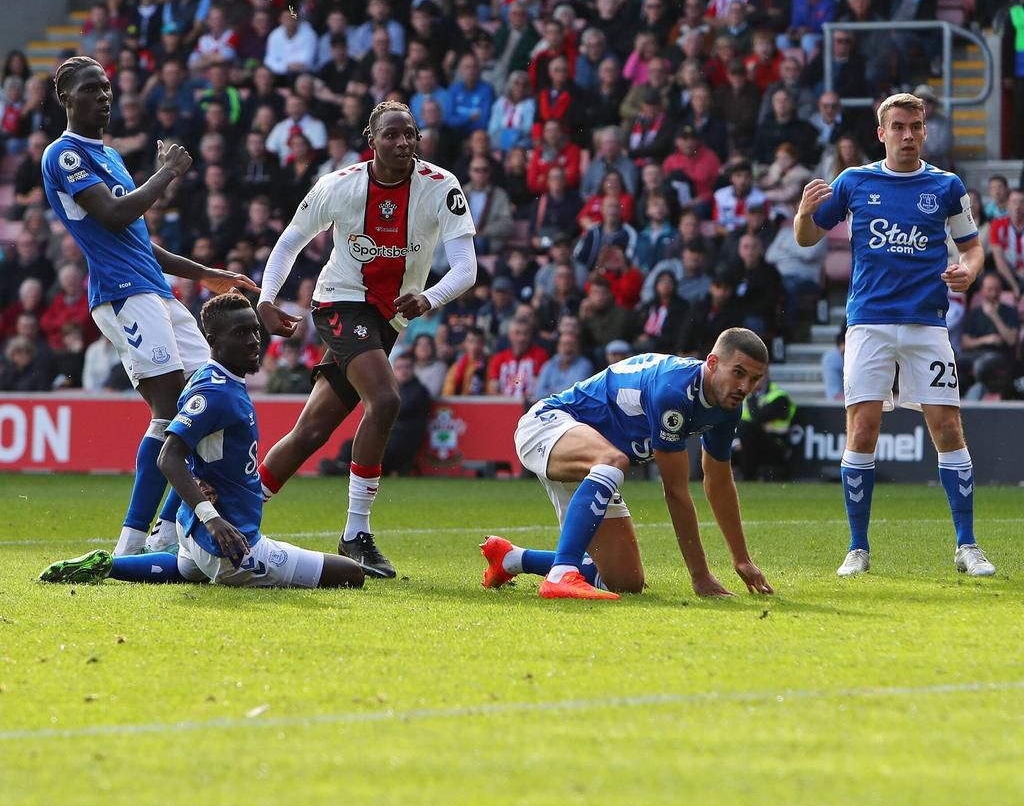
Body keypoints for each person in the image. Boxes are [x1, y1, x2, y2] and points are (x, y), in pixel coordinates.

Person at [41, 56, 258, 562]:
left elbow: (141, 240)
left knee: (202, 396)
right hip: (122, 294)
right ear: (66, 98)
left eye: (108, 88)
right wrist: (167, 174)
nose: (104, 96)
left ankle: (167, 527)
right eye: (91, 89)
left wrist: (209, 274)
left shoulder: (112, 156)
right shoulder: (63, 155)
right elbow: (116, 214)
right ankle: (133, 542)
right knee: (168, 412)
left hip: (153, 289)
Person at [255, 100, 477, 579]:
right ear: (370, 140)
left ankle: (236, 507)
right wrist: (267, 299)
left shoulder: (441, 186)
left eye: (410, 134)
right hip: (338, 301)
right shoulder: (339, 186)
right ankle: (356, 534)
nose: (402, 143)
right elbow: (290, 240)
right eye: (392, 135)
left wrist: (430, 298)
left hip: (388, 318)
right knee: (386, 400)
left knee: (311, 431)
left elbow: (466, 267)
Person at [795, 92, 995, 578]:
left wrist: (968, 270)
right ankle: (857, 548)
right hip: (868, 324)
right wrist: (804, 213)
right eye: (899, 127)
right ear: (881, 133)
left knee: (947, 428)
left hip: (928, 323)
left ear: (925, 131)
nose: (908, 135)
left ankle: (967, 546)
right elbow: (806, 238)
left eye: (916, 126)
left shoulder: (947, 187)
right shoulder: (853, 182)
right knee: (862, 430)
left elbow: (973, 249)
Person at [40, 294, 365, 589]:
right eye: (240, 333)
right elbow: (168, 456)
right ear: (213, 341)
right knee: (351, 573)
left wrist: (199, 485)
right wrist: (215, 520)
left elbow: (195, 447)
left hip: (191, 531)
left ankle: (110, 566)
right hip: (229, 543)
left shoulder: (212, 379)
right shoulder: (216, 393)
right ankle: (215, 555)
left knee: (186, 569)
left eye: (254, 330)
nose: (254, 341)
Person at [478, 329, 775, 600]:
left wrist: (742, 558)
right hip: (548, 425)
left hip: (596, 466)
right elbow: (675, 491)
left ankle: (511, 559)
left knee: (625, 581)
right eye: (738, 373)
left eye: (754, 378)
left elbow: (719, 483)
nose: (744, 386)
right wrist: (700, 576)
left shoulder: (727, 408)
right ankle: (560, 574)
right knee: (613, 460)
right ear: (712, 362)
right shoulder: (674, 391)